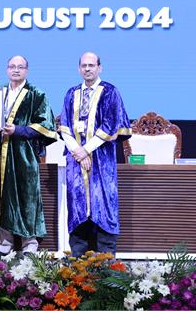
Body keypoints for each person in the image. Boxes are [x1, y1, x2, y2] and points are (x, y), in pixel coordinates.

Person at [58, 52, 131, 256]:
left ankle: (106, 262)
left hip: (101, 160)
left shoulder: (110, 92)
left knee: (103, 203)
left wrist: (86, 150)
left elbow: (110, 124)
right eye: (84, 65)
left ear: (100, 67)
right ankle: (78, 262)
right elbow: (64, 126)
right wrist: (78, 152)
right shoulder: (71, 93)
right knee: (77, 205)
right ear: (79, 68)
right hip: (75, 161)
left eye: (91, 65)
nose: (87, 69)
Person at [0, 55, 57, 257]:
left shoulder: (36, 94)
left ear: (27, 70)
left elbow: (46, 126)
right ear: (7, 69)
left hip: (23, 154)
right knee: (2, 197)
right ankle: (4, 243)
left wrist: (18, 130)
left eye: (20, 67)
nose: (16, 70)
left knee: (27, 196)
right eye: (12, 66)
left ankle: (29, 244)